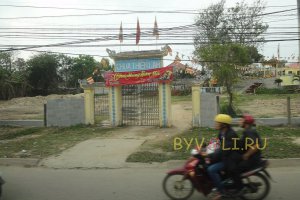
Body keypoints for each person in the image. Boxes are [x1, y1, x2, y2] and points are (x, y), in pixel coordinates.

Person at [205, 114, 239, 200]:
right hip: (225, 156)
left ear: (223, 124)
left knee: (211, 169)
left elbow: (223, 150)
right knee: (207, 164)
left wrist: (210, 155)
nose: (215, 124)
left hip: (230, 159)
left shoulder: (231, 134)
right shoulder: (222, 132)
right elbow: (217, 143)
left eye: (217, 123)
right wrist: (205, 148)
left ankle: (221, 192)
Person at [230, 114, 262, 193]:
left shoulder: (249, 131)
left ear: (246, 122)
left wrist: (247, 155)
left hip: (252, 158)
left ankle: (240, 188)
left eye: (241, 120)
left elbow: (256, 145)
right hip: (251, 157)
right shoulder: (247, 131)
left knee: (234, 169)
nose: (239, 121)